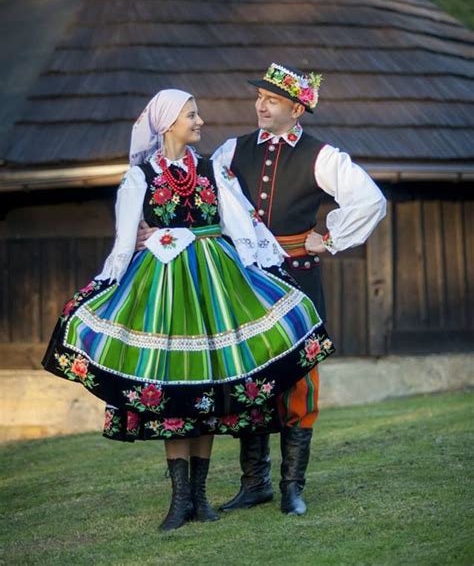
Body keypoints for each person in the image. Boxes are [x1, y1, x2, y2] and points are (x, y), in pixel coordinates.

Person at [42, 88, 335, 532]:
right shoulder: (139, 177)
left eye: (197, 114)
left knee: (206, 389)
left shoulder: (211, 169)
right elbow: (124, 243)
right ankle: (181, 499)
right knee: (175, 387)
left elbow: (241, 223)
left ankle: (200, 497)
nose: (200, 121)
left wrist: (270, 267)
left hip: (212, 286)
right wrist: (101, 285)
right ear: (167, 124)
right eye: (191, 115)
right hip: (163, 290)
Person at [137, 64, 387, 517]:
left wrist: (328, 238)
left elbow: (370, 199)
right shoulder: (233, 150)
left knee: (298, 380)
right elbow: (194, 190)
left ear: (296, 108)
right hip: (247, 281)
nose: (260, 105)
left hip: (298, 278)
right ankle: (256, 483)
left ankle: (292, 487)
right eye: (259, 97)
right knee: (249, 376)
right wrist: (149, 225)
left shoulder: (321, 156)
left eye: (271, 100)